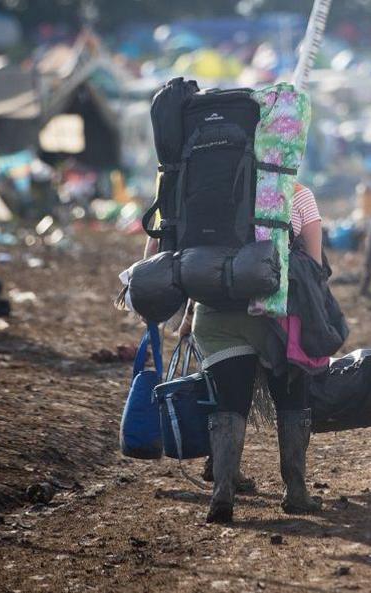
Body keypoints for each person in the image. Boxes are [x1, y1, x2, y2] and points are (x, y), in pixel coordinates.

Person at [144, 182, 325, 524]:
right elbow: (314, 266)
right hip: (276, 317)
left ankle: (222, 492)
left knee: (229, 403)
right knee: (291, 398)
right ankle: (296, 492)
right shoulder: (296, 192)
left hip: (214, 316)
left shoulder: (197, 193)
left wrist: (187, 316)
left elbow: (164, 252)